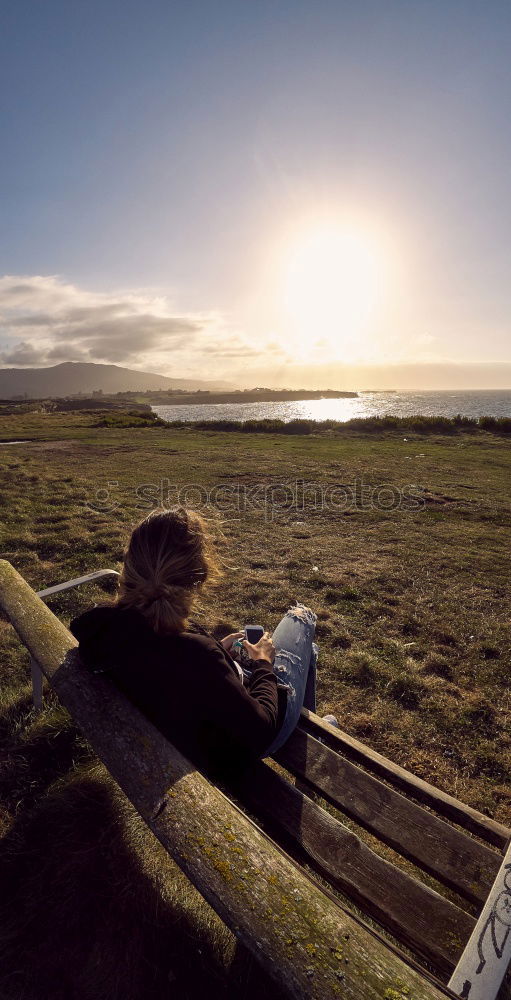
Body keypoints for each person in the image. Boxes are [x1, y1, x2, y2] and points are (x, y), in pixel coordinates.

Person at [70, 507, 333, 781]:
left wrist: (220, 653)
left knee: (304, 650)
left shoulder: (106, 632)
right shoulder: (196, 654)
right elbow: (261, 729)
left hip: (178, 736)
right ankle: (312, 739)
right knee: (302, 621)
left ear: (131, 564)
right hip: (239, 747)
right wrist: (263, 663)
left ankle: (312, 734)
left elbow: (169, 666)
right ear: (199, 575)